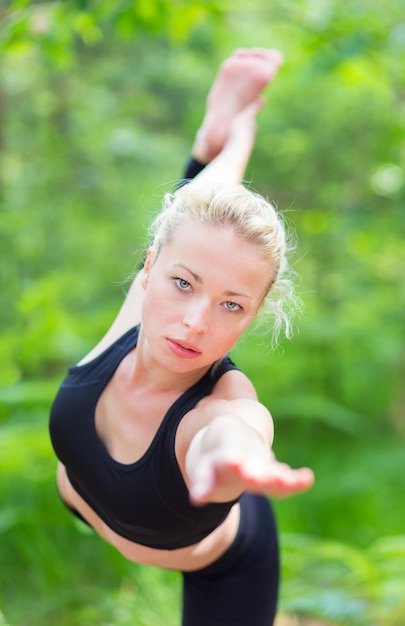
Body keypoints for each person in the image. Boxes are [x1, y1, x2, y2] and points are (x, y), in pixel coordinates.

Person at [49, 48, 315, 626]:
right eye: (182, 283)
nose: (196, 321)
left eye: (231, 304)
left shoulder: (222, 408)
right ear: (148, 269)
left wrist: (241, 461)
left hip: (227, 565)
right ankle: (217, 129)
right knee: (201, 212)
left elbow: (234, 433)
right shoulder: (139, 310)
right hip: (99, 504)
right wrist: (229, 135)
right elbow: (201, 204)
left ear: (254, 314)